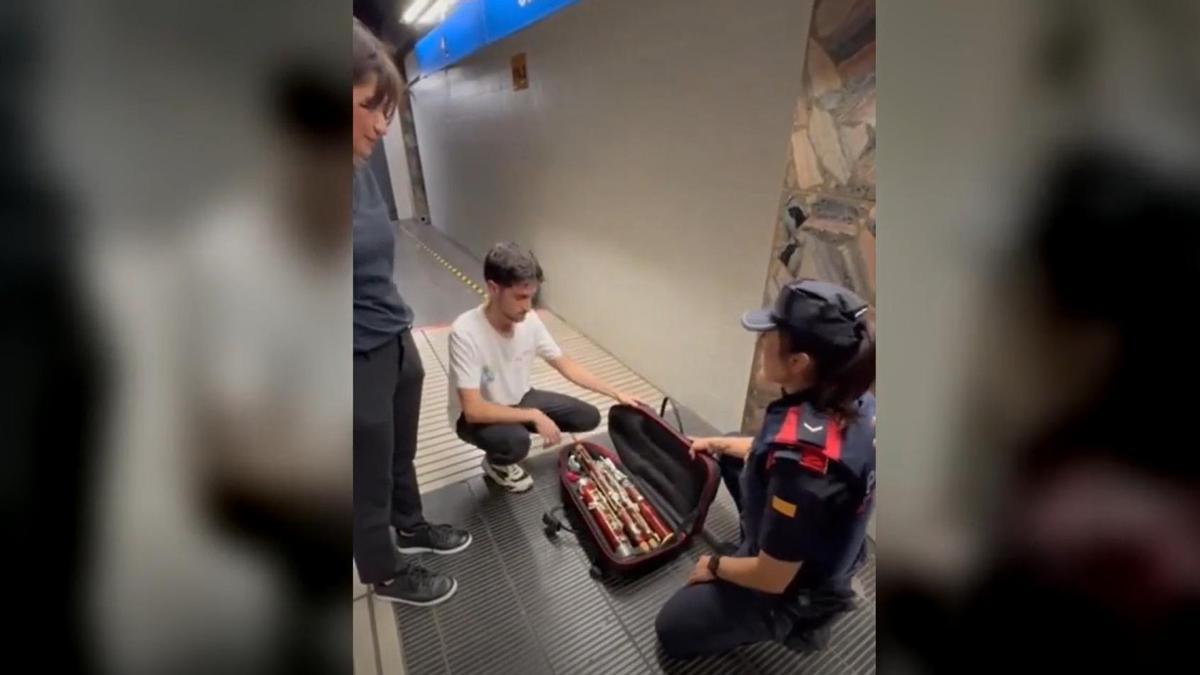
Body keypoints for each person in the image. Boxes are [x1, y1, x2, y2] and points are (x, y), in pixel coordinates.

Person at [655, 279, 876, 658]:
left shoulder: (802, 465)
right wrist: (719, 444)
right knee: (729, 445)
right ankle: (757, 551)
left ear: (798, 363)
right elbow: (769, 451)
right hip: (825, 543)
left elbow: (774, 578)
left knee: (673, 629)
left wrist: (716, 564)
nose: (760, 344)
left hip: (796, 586)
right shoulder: (851, 399)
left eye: (770, 336)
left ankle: (799, 623)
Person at [352, 19, 470, 606]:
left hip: (393, 338)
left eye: (388, 109)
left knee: (400, 451)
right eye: (371, 106)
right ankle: (384, 571)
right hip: (351, 358)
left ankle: (411, 524)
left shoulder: (358, 172)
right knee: (363, 472)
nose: (381, 123)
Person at [448, 242, 644, 492]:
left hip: (520, 397)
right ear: (493, 288)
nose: (527, 307)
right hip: (474, 416)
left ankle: (516, 425)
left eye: (531, 297)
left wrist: (616, 393)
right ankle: (497, 463)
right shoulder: (465, 332)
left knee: (588, 416)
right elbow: (474, 410)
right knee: (516, 442)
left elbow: (566, 364)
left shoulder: (528, 321)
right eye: (520, 297)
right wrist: (534, 415)